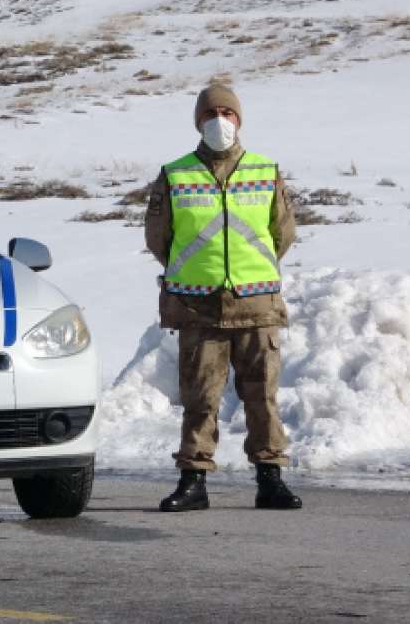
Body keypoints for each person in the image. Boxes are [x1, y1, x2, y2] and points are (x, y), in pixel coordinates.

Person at [144, 84, 302, 512]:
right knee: (199, 398)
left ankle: (270, 480)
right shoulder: (175, 175)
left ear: (239, 119)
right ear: (199, 120)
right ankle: (193, 480)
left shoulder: (265, 172)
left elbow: (282, 234)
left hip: (257, 306)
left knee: (262, 397)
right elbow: (160, 239)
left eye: (227, 113)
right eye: (211, 112)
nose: (220, 120)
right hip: (200, 306)